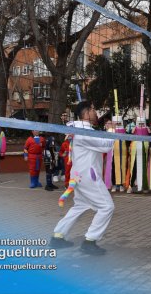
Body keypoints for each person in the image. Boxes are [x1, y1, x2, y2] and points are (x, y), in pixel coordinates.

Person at [51, 100, 116, 255]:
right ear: (86, 113)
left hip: (80, 175)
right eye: (93, 109)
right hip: (88, 176)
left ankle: (58, 236)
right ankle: (90, 241)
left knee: (79, 206)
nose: (96, 112)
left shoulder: (80, 129)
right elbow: (106, 145)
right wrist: (112, 131)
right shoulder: (83, 131)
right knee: (107, 207)